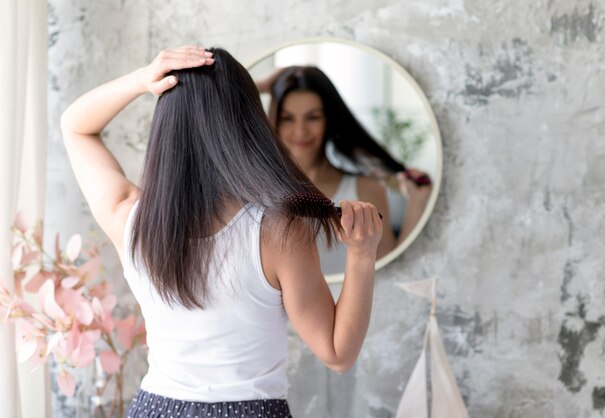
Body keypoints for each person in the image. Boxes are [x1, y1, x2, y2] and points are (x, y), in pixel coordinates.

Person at [61, 46, 382, 418]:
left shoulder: (129, 217)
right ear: (249, 121)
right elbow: (338, 354)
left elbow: (75, 126)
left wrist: (142, 79)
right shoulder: (278, 232)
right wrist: (362, 254)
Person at [256, 66, 432, 273]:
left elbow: (389, 270)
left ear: (329, 120)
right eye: (288, 118)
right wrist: (260, 85)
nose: (300, 131)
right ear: (273, 121)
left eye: (313, 117)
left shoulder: (366, 190)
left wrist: (416, 205)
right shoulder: (256, 192)